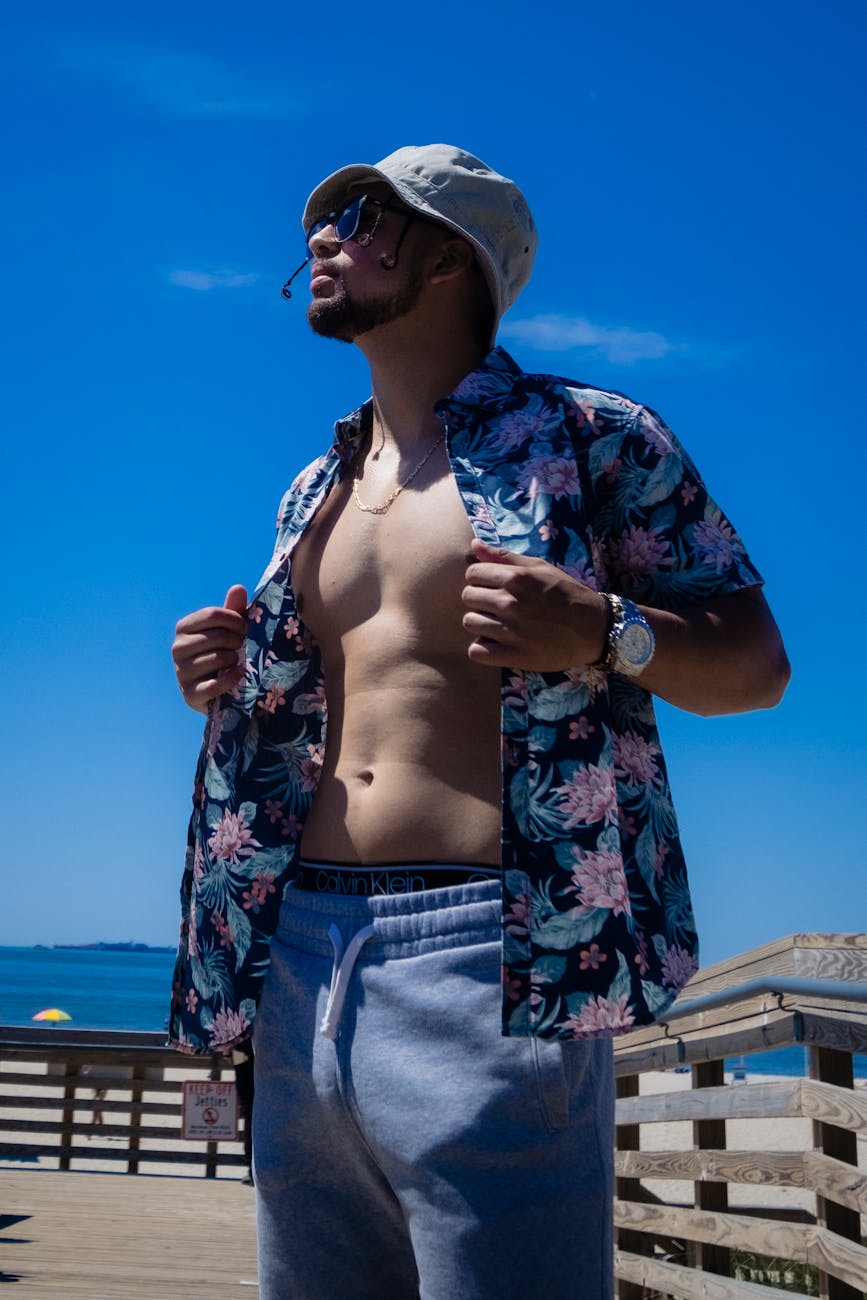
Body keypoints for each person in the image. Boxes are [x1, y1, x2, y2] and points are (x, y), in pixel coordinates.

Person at [168, 144, 789, 1299]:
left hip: (488, 959)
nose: (319, 236)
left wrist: (607, 628)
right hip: (299, 959)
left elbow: (758, 667)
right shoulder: (316, 489)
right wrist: (224, 673)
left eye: (359, 215)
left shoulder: (592, 436)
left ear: (451, 256)